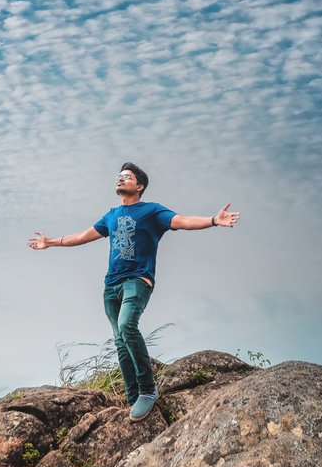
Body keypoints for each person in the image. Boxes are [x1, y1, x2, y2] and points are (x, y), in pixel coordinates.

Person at [28, 162, 241, 421]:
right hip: (111, 285)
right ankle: (132, 397)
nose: (120, 179)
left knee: (128, 325)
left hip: (137, 280)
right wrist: (50, 242)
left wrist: (213, 221)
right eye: (119, 176)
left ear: (139, 186)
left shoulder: (151, 211)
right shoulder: (111, 215)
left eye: (126, 177)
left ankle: (148, 390)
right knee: (119, 339)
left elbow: (182, 221)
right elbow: (84, 236)